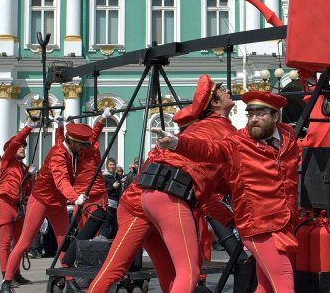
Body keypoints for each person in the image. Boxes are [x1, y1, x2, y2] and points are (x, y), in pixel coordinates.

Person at [88, 78, 237, 293]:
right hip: (157, 200)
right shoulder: (220, 130)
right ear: (214, 103)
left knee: (167, 275)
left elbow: (212, 186)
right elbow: (215, 162)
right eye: (223, 90)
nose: (228, 91)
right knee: (190, 271)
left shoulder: (199, 131)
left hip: (144, 201)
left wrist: (230, 218)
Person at [153, 90, 300, 293]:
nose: (253, 119)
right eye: (250, 115)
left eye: (260, 114)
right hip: (259, 225)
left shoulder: (288, 137)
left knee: (265, 286)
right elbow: (208, 149)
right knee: (284, 282)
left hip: (284, 222)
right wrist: (177, 143)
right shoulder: (237, 143)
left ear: (275, 116)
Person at [0, 122, 93, 293]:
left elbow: (60, 140)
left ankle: (70, 280)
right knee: (24, 243)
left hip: (57, 203)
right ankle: (6, 282)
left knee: (64, 242)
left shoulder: (67, 148)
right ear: (72, 142)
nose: (83, 148)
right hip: (41, 200)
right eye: (81, 145)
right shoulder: (58, 154)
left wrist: (59, 126)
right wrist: (74, 197)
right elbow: (61, 179)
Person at [0, 122, 34, 281]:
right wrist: (29, 127)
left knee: (19, 243)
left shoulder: (23, 167)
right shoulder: (7, 160)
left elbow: (29, 191)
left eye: (24, 147)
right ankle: (6, 276)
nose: (23, 148)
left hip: (17, 207)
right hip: (4, 203)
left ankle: (15, 273)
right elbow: (16, 142)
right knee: (4, 243)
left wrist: (31, 176)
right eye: (20, 147)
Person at [101, 158, 121, 239]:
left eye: (113, 165)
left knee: (115, 226)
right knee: (106, 224)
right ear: (107, 166)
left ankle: (112, 244)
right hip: (108, 203)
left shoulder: (117, 176)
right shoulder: (104, 177)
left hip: (116, 204)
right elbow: (103, 191)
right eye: (111, 165)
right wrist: (113, 187)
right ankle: (103, 243)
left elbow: (119, 190)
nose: (112, 166)